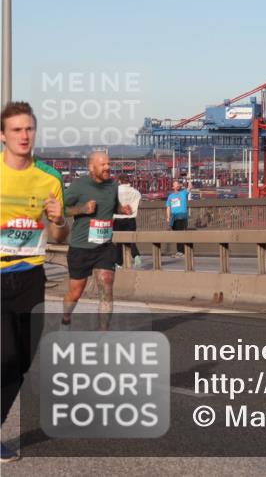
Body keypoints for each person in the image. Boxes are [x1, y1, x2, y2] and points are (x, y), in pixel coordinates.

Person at [0, 102, 67, 463]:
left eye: (29, 129)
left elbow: (60, 232)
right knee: (5, 353)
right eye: (16, 130)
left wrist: (58, 218)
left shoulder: (49, 178)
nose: (24, 136)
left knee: (23, 358)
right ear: (2, 135)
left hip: (31, 276)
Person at [62, 151, 132, 330]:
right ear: (92, 167)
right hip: (81, 247)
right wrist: (82, 209)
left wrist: (122, 209)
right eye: (103, 165)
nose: (108, 167)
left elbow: (111, 204)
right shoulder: (79, 185)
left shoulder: (112, 185)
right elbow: (62, 209)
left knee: (107, 286)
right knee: (76, 292)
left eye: (109, 164)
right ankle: (66, 318)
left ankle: (103, 334)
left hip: (105, 246)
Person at [113, 174, 142, 269]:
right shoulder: (136, 192)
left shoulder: (115, 191)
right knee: (131, 239)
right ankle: (136, 255)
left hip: (118, 219)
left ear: (119, 181)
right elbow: (137, 205)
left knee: (119, 243)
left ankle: (118, 263)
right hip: (131, 219)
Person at [165, 178, 192, 258]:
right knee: (177, 234)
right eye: (175, 184)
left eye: (177, 184)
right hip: (174, 217)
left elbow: (190, 187)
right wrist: (168, 217)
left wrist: (189, 179)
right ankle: (180, 251)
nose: (176, 186)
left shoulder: (183, 193)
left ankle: (181, 252)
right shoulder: (171, 196)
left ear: (179, 186)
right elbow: (168, 207)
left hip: (182, 216)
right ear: (173, 187)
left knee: (180, 233)